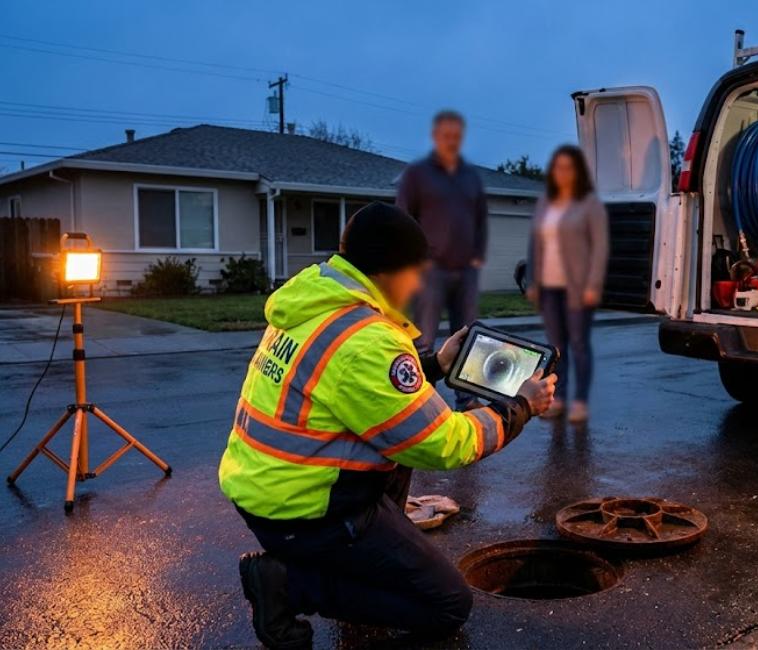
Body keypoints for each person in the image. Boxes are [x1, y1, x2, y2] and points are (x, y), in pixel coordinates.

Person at [218, 202, 556, 648]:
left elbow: (359, 392)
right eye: (414, 272)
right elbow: (444, 443)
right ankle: (289, 586)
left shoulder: (316, 304)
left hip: (267, 489)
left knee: (399, 439)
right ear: (386, 271)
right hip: (306, 514)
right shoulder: (366, 341)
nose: (417, 284)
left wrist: (437, 362)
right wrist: (521, 408)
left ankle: (355, 558)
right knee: (448, 605)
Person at [397, 110, 488, 410]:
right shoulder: (417, 175)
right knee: (423, 341)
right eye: (446, 135)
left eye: (456, 135)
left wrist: (477, 255)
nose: (452, 140)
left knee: (467, 339)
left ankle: (468, 399)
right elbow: (403, 218)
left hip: (466, 272)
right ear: (436, 136)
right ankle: (423, 406)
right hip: (429, 273)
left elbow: (480, 218)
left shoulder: (470, 176)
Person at [526, 145, 609, 423]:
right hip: (548, 288)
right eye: (558, 167)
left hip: (577, 287)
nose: (562, 173)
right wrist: (533, 281)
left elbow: (599, 247)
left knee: (578, 344)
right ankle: (557, 398)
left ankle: (580, 401)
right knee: (556, 347)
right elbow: (535, 245)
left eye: (568, 167)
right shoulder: (544, 203)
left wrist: (593, 285)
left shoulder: (589, 204)